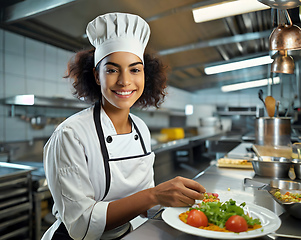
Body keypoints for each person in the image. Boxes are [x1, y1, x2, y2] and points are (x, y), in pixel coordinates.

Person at [42, 12, 206, 240]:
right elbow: (82, 224)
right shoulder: (71, 134)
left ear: (144, 76)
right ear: (97, 76)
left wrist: (187, 206)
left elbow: (147, 206)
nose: (124, 81)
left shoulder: (140, 128)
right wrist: (155, 195)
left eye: (134, 69)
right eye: (112, 69)